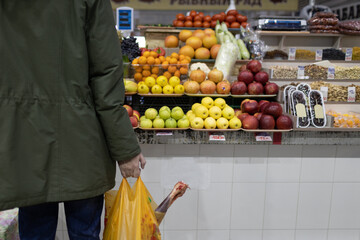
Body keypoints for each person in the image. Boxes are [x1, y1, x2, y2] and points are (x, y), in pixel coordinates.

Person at [0, 0, 145, 239]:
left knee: (35, 232)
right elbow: (106, 75)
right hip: (82, 138)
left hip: (25, 137)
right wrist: (126, 148)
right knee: (85, 233)